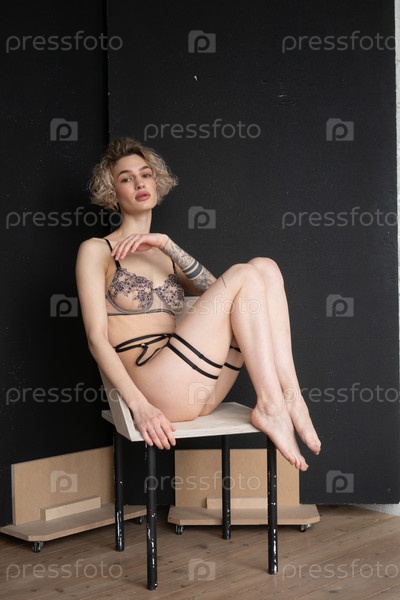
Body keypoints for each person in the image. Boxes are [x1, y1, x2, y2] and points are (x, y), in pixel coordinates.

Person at [76, 137, 321, 471]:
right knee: (245, 274)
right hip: (155, 388)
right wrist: (140, 407)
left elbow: (234, 297)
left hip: (199, 389)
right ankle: (271, 405)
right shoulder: (97, 250)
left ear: (156, 183)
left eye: (145, 175)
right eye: (126, 178)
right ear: (112, 192)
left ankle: (291, 398)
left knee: (265, 268)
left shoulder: (165, 255)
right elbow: (96, 338)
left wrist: (167, 245)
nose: (139, 183)